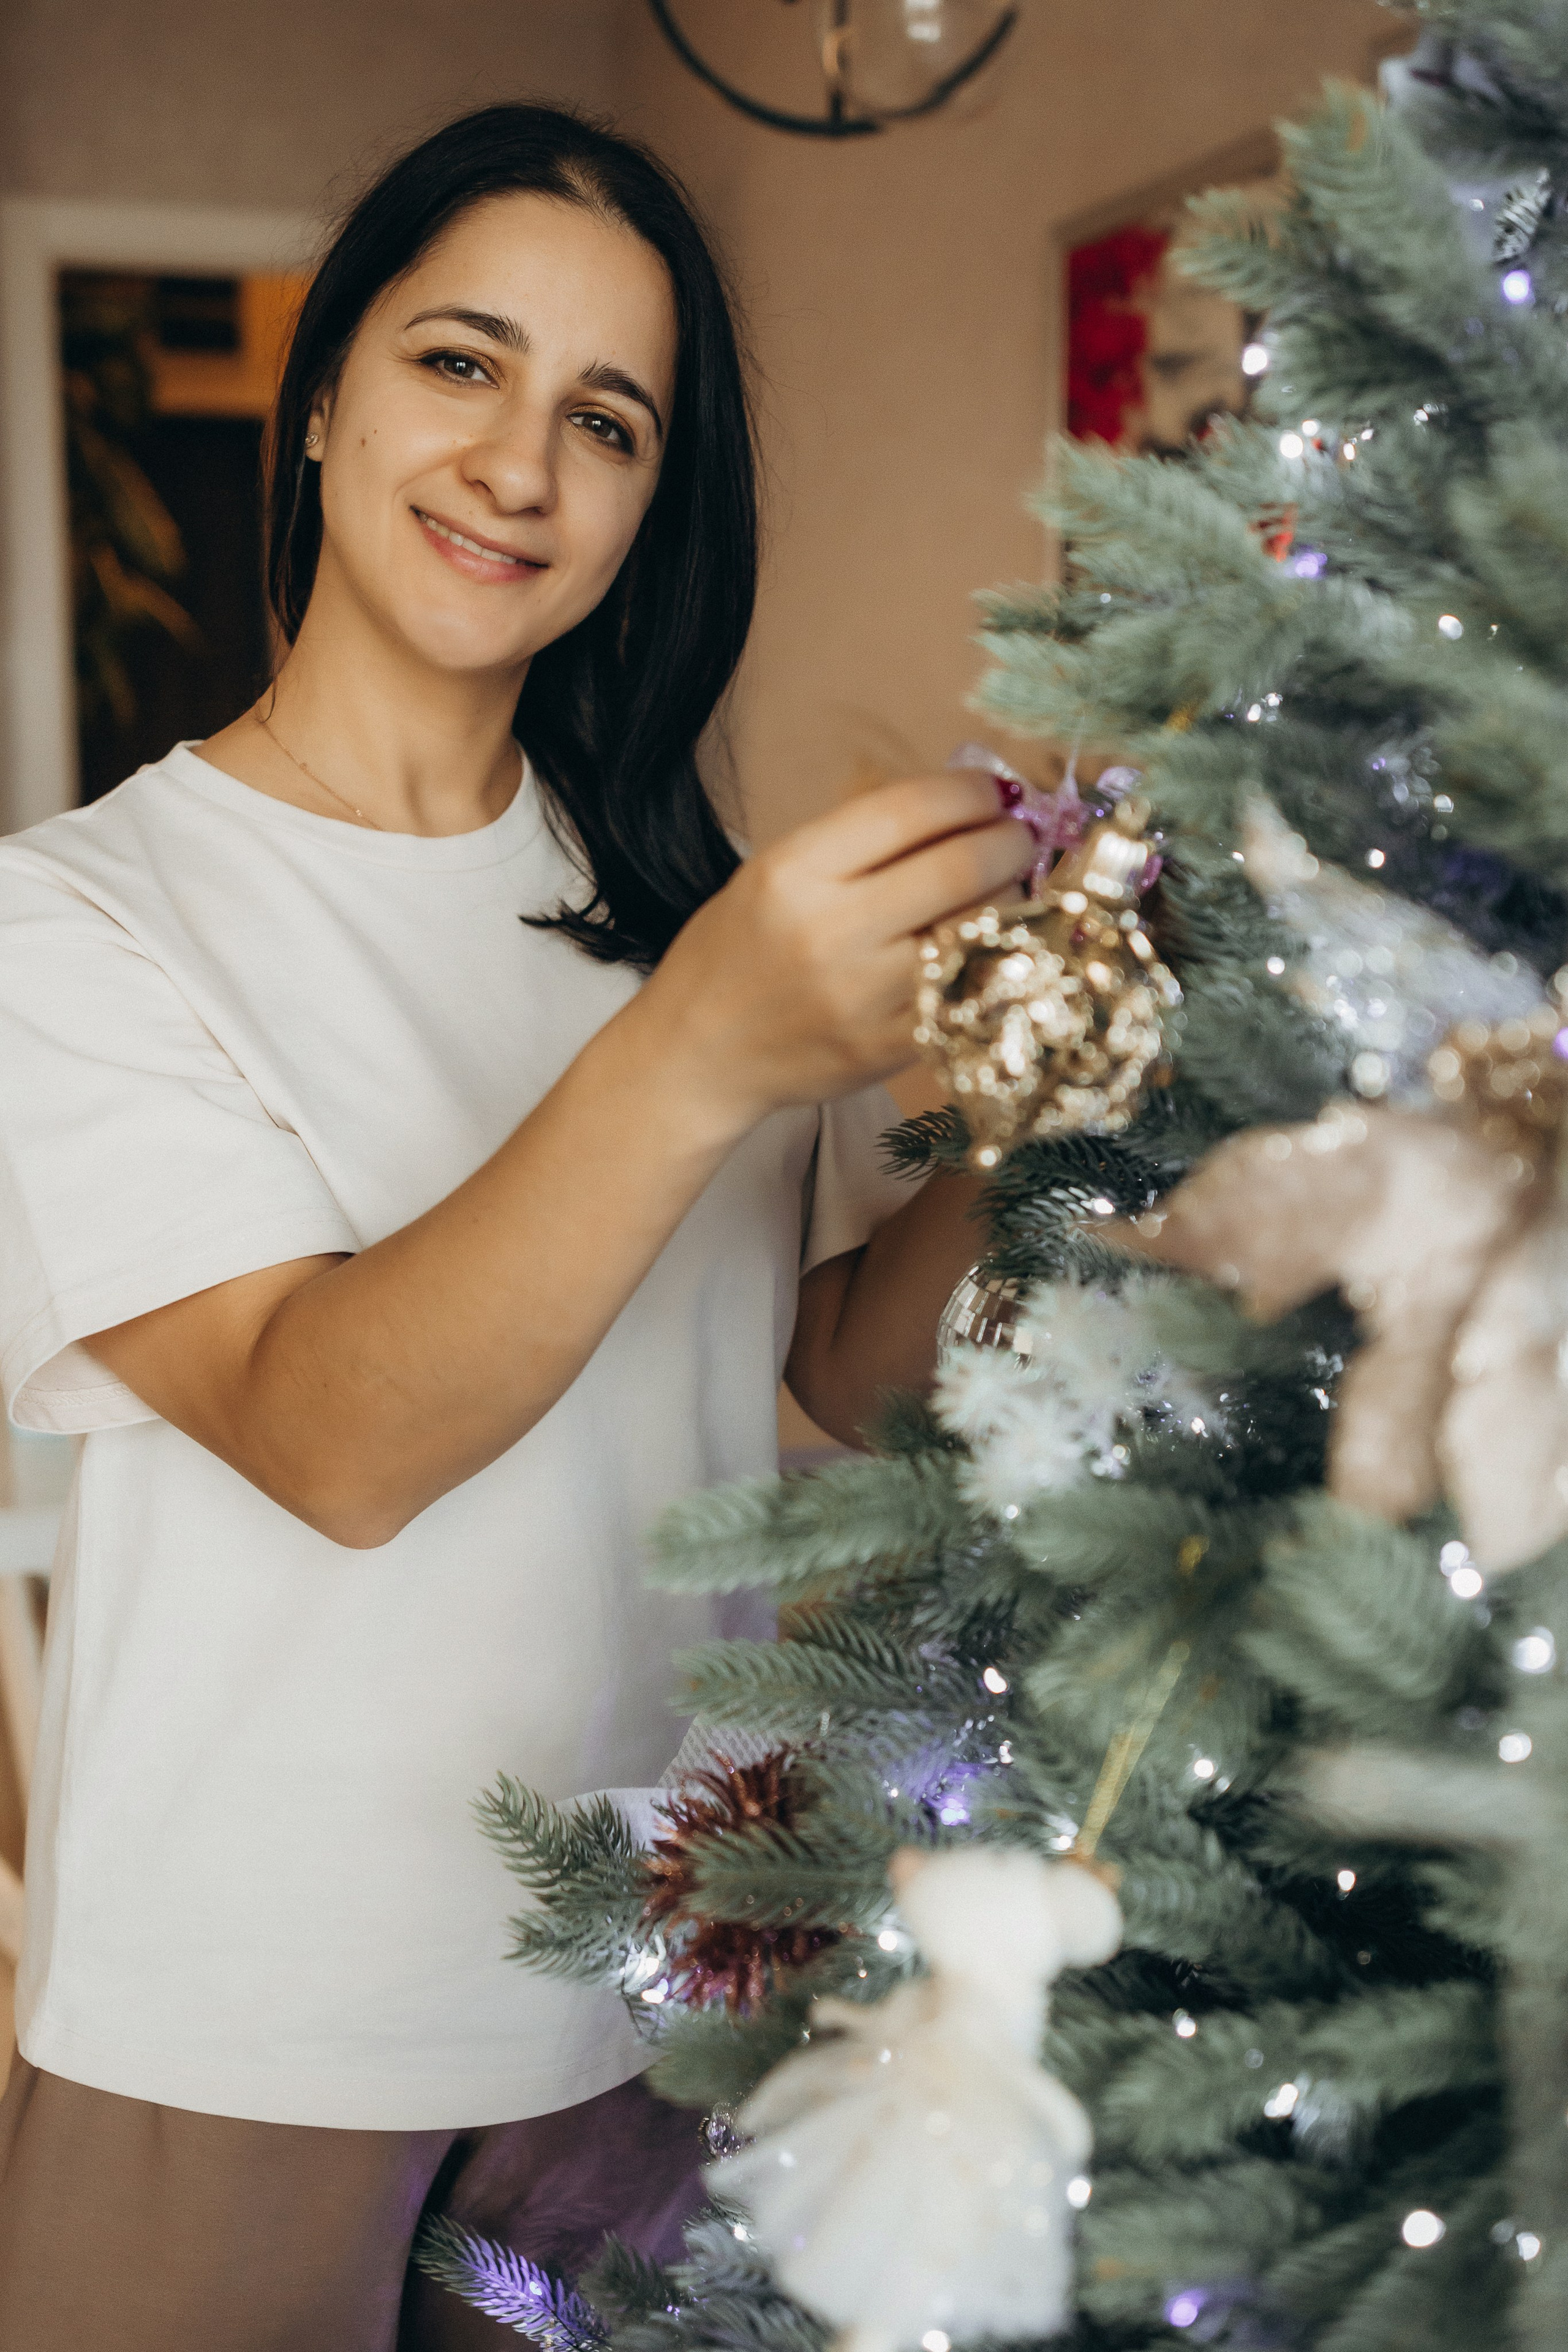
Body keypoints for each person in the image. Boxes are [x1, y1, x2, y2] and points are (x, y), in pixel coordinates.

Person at [0, 104, 1032, 2350]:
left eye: (607, 419)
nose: (519, 464)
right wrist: (704, 1043)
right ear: (321, 399)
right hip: (264, 2010)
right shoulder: (79, 917)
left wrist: (1043, 1113)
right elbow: (332, 1434)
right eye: (460, 362)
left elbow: (846, 1373)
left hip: (663, 1971)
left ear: (654, 506)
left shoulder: (676, 906)